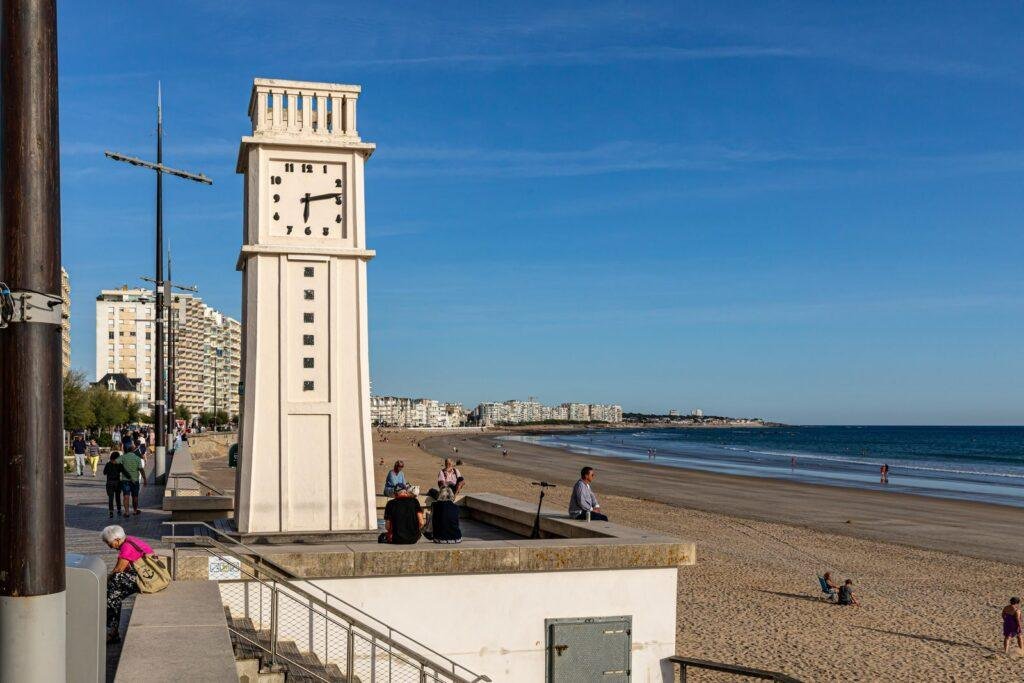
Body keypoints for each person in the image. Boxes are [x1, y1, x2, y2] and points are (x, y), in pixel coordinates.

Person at [101, 525, 154, 643]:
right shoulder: (130, 540)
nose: (109, 546)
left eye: (109, 543)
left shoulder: (127, 547)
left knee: (115, 582)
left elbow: (119, 569)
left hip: (147, 580)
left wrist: (105, 581)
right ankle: (113, 632)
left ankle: (113, 632)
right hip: (147, 576)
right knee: (114, 596)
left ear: (117, 540)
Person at [120, 446, 145, 515]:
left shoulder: (123, 457)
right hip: (135, 480)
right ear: (134, 451)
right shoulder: (137, 458)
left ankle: (127, 512)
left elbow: (117, 464)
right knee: (135, 496)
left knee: (126, 496)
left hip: (125, 480)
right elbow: (141, 469)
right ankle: (135, 511)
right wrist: (145, 479)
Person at [103, 452, 125, 518]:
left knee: (111, 498)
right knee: (118, 497)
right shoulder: (119, 464)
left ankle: (111, 512)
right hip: (117, 482)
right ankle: (119, 509)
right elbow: (124, 471)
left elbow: (104, 472)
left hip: (109, 482)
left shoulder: (108, 464)